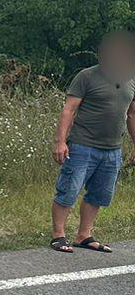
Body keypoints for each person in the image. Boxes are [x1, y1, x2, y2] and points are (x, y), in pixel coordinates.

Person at [50, 30, 135, 253]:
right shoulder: (87, 76)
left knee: (100, 193)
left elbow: (132, 114)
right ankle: (58, 235)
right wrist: (60, 141)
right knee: (69, 190)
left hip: (112, 149)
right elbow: (69, 109)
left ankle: (84, 235)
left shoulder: (131, 79)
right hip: (82, 145)